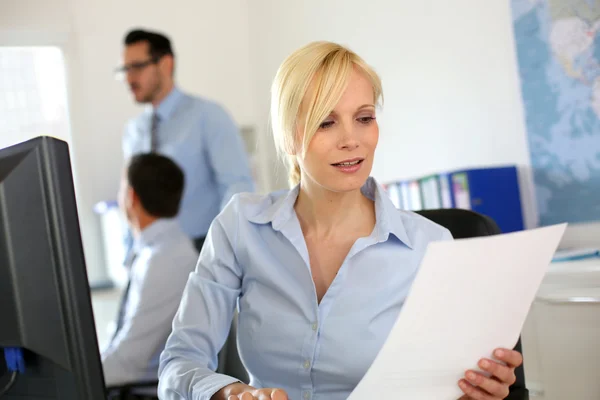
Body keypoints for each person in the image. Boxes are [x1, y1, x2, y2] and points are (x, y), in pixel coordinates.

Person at [157, 41, 524, 400]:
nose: (351, 139)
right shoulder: (241, 226)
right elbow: (179, 363)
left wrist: (477, 391)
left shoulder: (430, 246)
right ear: (290, 136)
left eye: (364, 118)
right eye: (326, 122)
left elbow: (449, 381)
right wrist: (228, 392)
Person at [118, 29, 255, 252]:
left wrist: (223, 249)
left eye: (137, 67)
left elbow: (237, 187)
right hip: (148, 254)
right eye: (125, 69)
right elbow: (130, 198)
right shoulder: (133, 131)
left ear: (165, 64)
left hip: (203, 250)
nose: (128, 78)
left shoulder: (208, 116)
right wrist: (129, 255)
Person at [102, 153, 198, 388]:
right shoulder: (159, 251)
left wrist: (78, 375)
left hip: (138, 390)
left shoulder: (164, 260)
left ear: (131, 196)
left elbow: (129, 361)